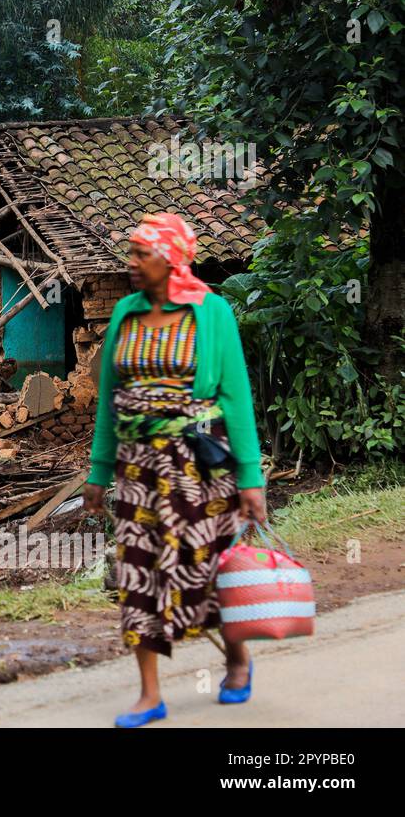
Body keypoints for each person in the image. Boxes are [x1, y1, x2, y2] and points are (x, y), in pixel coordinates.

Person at [82, 212, 266, 728]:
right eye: (132, 252)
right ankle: (149, 695)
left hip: (200, 467)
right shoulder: (125, 312)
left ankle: (237, 658)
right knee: (138, 571)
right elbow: (110, 401)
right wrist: (99, 472)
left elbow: (236, 397)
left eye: (142, 253)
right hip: (137, 468)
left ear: (171, 258)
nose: (132, 262)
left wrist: (251, 478)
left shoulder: (212, 313)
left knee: (209, 568)